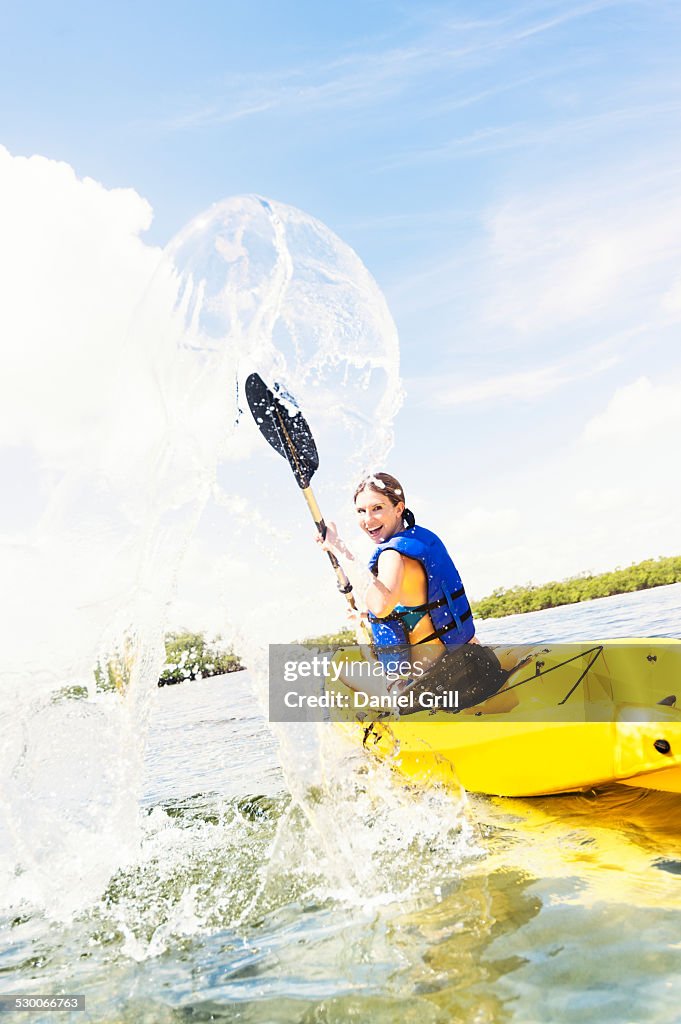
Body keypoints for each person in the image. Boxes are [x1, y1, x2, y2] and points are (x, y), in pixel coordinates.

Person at [317, 472, 507, 713]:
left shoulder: (392, 555)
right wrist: (365, 617)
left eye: (377, 508)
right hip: (477, 663)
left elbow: (382, 605)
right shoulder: (423, 540)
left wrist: (340, 549)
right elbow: (417, 606)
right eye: (360, 511)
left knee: (339, 671)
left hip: (438, 687)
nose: (368, 519)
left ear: (399, 508)